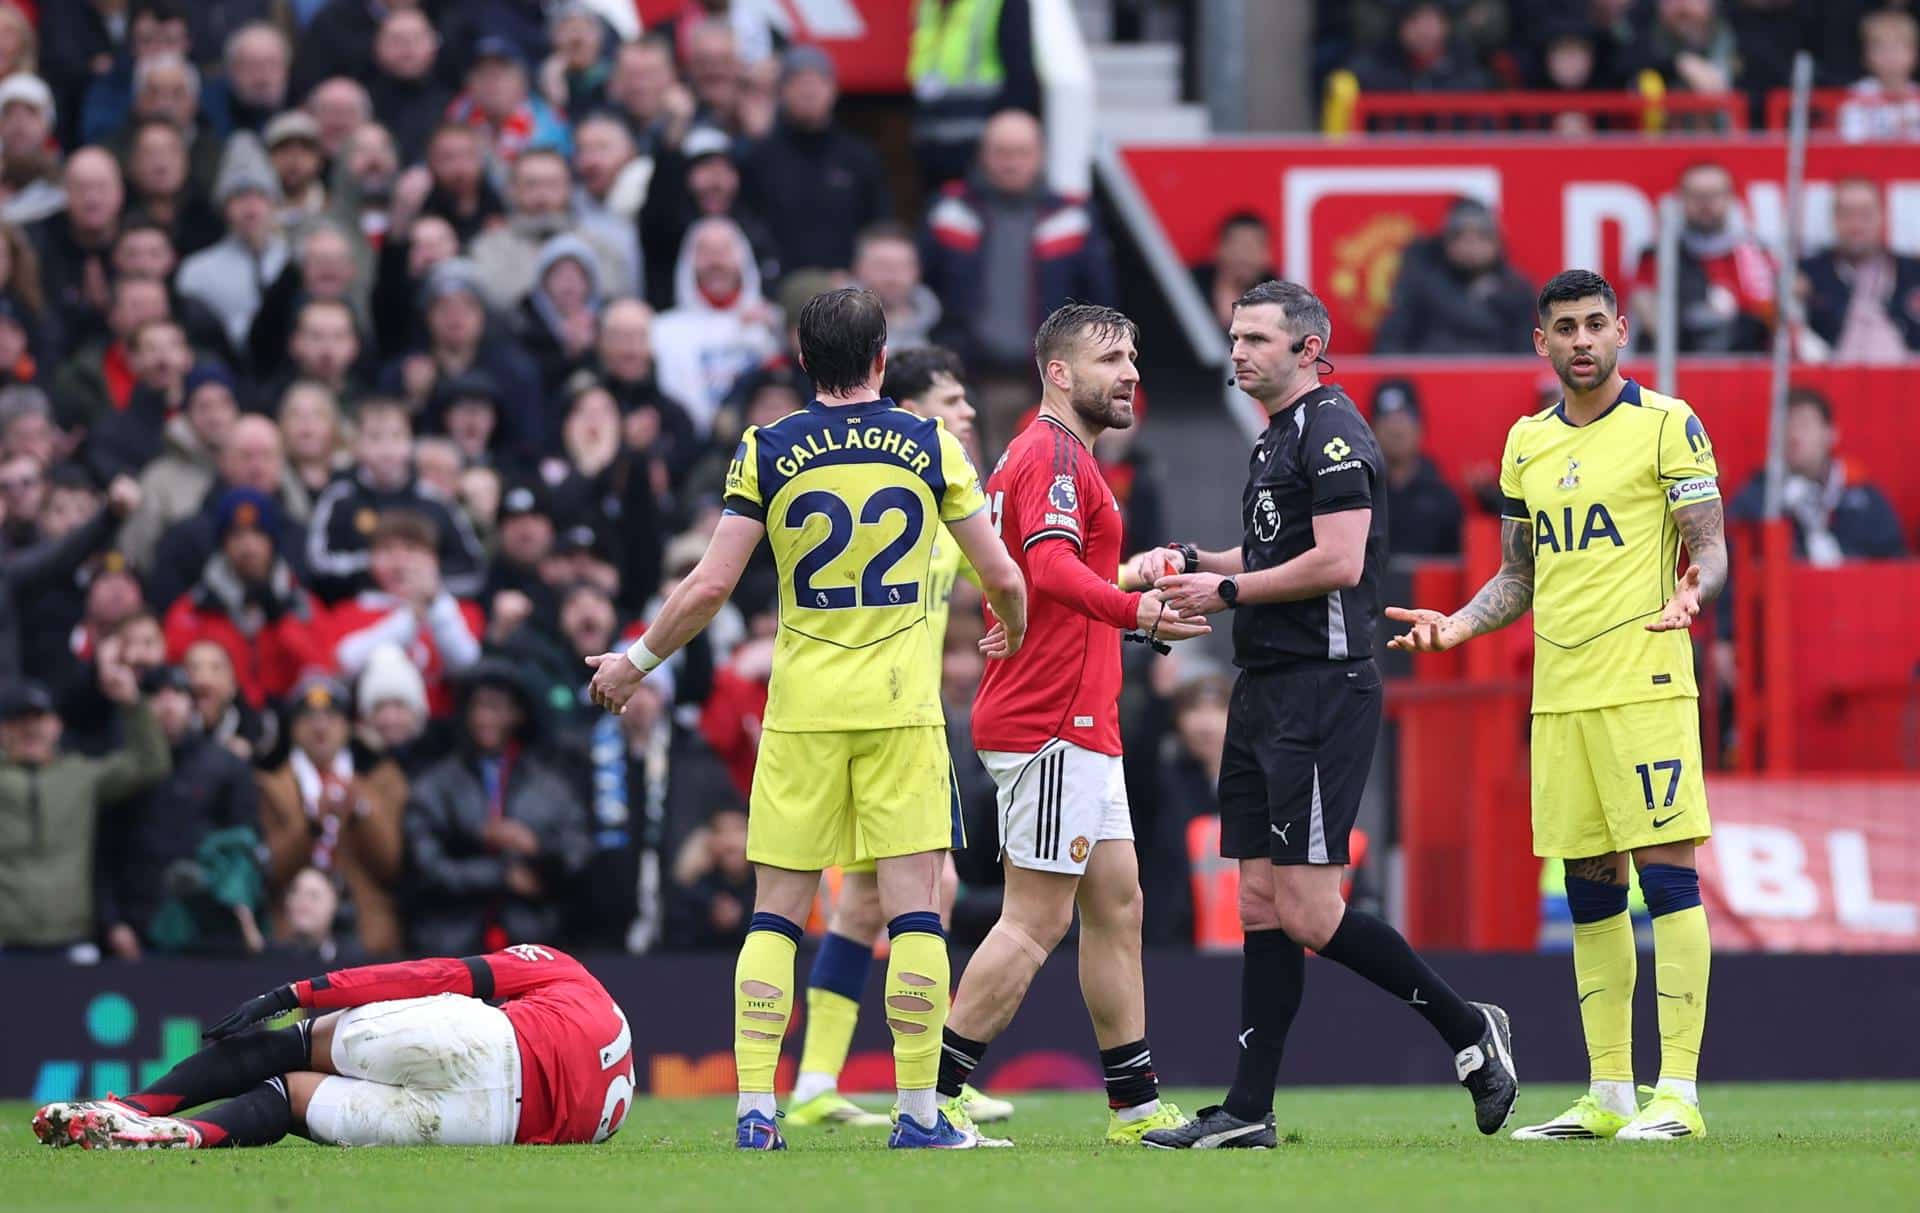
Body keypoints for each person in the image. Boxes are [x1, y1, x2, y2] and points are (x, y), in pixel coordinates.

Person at [585, 287, 1028, 1150]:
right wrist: (1006, 619)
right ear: (881, 356)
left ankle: (756, 1109)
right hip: (901, 714)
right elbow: (999, 571)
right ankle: (918, 1113)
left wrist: (634, 663)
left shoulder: (768, 448)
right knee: (915, 918)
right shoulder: (929, 444)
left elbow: (711, 585)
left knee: (775, 916)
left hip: (801, 715)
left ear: (801, 357)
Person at [1130, 279, 1516, 1149]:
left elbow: (1339, 563)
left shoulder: (1335, 429)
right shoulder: (1278, 436)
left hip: (1321, 685)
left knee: (1308, 909)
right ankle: (1248, 1110)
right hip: (1266, 684)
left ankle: (1468, 1030)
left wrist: (1224, 588)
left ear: (1308, 348)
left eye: (1257, 338)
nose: (1237, 352)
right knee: (1261, 903)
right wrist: (1196, 560)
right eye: (1234, 337)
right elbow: (1275, 552)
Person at [1385, 269, 1725, 1143]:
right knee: (1589, 888)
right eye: (1564, 327)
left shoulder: (1667, 424)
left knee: (1669, 877)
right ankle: (1609, 1094)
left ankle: (1677, 1091)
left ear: (1621, 331)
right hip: (1561, 696)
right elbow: (1520, 575)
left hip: (1647, 681)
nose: (1581, 339)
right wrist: (1455, 626)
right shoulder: (1526, 442)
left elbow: (1710, 546)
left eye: (1595, 324)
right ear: (1540, 342)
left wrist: (1694, 592)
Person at [930, 304, 1209, 1147]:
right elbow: (1047, 567)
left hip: (1080, 719)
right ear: (1059, 371)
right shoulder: (1051, 451)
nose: (1129, 372)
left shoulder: (1057, 455)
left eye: (1133, 356)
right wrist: (1138, 609)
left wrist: (1125, 581)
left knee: (1118, 904)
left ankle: (1132, 1103)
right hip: (1051, 719)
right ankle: (934, 1098)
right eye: (1110, 358)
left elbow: (1042, 571)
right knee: (1034, 919)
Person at [784, 343, 1010, 1130]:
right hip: (896, 722)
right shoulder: (929, 492)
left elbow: (1015, 574)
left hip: (830, 712)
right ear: (909, 411)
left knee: (859, 905)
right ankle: (939, 1081)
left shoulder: (930, 497)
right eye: (951, 401)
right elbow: (1017, 579)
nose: (968, 414)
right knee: (928, 890)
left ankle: (813, 1081)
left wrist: (1122, 584)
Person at [33, 943, 634, 1149]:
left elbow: (434, 975)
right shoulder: (621, 1094)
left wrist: (297, 992)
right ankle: (178, 1137)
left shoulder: (556, 965)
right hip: (492, 1125)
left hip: (484, 1041)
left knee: (297, 1045)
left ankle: (132, 1108)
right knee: (294, 1101)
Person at [920, 110, 1115, 451]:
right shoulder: (948, 210)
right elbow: (924, 288)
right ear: (983, 154)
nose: (1010, 163)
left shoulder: (1072, 217)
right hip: (967, 379)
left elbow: (1099, 304)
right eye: (1001, 152)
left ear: (1040, 156)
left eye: (1021, 152)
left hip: (1051, 381)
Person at [405, 659, 589, 955]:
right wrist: (500, 875)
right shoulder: (436, 786)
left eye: (496, 707)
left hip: (533, 941)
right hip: (452, 941)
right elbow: (425, 867)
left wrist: (536, 847)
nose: (484, 718)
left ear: (517, 714)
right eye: (477, 707)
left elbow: (577, 854)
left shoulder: (549, 785)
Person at [0, 646, 169, 954]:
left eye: (38, 718)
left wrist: (132, 704)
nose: (30, 729)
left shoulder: (80, 775)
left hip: (71, 939)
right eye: (17, 721)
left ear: (56, 726)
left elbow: (150, 763)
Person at [94, 663, 261, 958]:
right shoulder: (123, 769)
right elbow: (103, 852)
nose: (168, 704)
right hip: (138, 925)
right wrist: (112, 923)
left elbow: (243, 847)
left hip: (207, 924)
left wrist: (239, 909)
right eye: (156, 695)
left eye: (178, 694)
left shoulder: (226, 766)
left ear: (192, 704)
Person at [257, 673, 407, 958]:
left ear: (348, 726)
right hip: (291, 937)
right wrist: (311, 825)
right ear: (293, 727)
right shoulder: (271, 786)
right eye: (309, 716)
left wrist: (362, 811)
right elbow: (270, 870)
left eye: (331, 715)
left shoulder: (383, 781)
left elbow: (392, 866)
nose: (320, 725)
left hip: (366, 935)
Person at [305, 399, 485, 602]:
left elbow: (472, 569)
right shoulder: (340, 499)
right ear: (356, 445)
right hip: (361, 613)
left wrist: (425, 578)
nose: (386, 448)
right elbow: (317, 564)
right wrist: (375, 568)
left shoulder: (435, 500)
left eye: (396, 436)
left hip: (426, 614)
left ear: (410, 443)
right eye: (375, 437)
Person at [740, 45, 891, 274]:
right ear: (782, 92)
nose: (808, 91)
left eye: (818, 81)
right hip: (777, 287)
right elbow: (746, 225)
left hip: (845, 288)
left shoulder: (859, 158)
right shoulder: (759, 158)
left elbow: (877, 228)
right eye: (798, 82)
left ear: (833, 90)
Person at [322, 508, 484, 718]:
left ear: (433, 559)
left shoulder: (460, 611)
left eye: (411, 549)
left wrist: (435, 603)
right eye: (387, 550)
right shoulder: (351, 612)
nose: (399, 562)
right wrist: (411, 616)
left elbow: (467, 666)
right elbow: (346, 662)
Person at [1727, 386, 1906, 561]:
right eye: (1787, 426)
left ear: (1830, 434)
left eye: (1804, 425)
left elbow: (1894, 562)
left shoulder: (1863, 496)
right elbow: (1732, 561)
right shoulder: (1758, 497)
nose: (1794, 435)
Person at [1631, 161, 1774, 354]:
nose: (1705, 203)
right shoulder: (1657, 258)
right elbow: (1646, 311)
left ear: (1730, 198)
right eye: (1696, 195)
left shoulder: (1756, 255)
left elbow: (1771, 318)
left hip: (1745, 367)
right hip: (1682, 365)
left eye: (1714, 194)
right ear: (1681, 199)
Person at [1374, 199, 1537, 356]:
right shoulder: (1421, 288)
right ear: (1445, 242)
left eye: (1482, 236)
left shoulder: (1517, 292)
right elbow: (1390, 346)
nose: (1471, 245)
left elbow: (1527, 356)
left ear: (1497, 242)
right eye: (1460, 236)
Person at [1799, 178, 1920, 361]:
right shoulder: (1808, 274)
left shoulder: (1912, 273)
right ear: (1834, 218)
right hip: (1830, 380)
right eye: (1847, 214)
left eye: (1865, 214)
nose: (1856, 224)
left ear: (1882, 216)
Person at [1371, 380, 1462, 557]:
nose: (1395, 429)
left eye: (1404, 418)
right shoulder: (1361, 494)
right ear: (1371, 430)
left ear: (1420, 427)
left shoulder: (1443, 498)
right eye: (1387, 419)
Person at [1193, 212, 1277, 332]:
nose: (1245, 256)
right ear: (1218, 249)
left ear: (1267, 255)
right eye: (1238, 245)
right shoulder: (1188, 289)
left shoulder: (1280, 302)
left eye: (1253, 247)